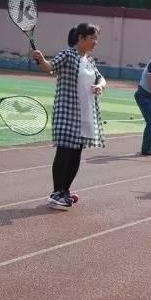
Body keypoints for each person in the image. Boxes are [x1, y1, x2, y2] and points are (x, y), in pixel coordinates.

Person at [32, 23, 106, 209]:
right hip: (67, 113)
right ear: (81, 38)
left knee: (75, 154)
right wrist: (41, 59)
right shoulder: (67, 54)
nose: (95, 42)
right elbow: (49, 67)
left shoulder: (89, 60)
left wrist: (100, 86)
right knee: (64, 152)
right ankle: (56, 192)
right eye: (92, 38)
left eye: (96, 38)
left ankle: (65, 191)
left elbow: (101, 78)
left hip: (85, 114)